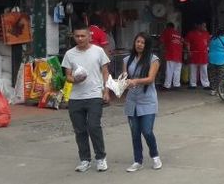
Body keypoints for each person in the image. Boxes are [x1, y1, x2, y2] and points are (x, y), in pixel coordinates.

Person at [62, 24, 111, 172]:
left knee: (94, 126)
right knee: (80, 130)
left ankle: (101, 158)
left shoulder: (99, 51)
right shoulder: (69, 54)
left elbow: (105, 72)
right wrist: (75, 79)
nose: (80, 39)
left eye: (83, 36)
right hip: (75, 97)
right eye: (77, 36)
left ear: (89, 36)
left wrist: (106, 91)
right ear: (73, 37)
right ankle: (84, 159)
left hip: (94, 95)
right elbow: (68, 76)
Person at [121, 33, 162, 172]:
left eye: (142, 42)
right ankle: (137, 160)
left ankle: (155, 155)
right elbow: (125, 78)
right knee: (135, 132)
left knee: (147, 131)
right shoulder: (127, 59)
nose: (139, 44)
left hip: (148, 100)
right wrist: (120, 84)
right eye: (137, 41)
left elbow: (150, 79)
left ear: (147, 45)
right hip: (132, 100)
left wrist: (135, 81)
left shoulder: (153, 59)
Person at [184, 23, 211, 89]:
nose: (205, 27)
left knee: (204, 70)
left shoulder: (206, 34)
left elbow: (208, 43)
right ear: (199, 26)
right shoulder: (191, 33)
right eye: (203, 26)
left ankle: (206, 85)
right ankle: (193, 84)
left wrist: (208, 51)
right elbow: (187, 43)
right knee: (193, 69)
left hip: (204, 54)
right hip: (194, 54)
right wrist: (188, 51)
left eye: (205, 26)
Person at [208, 28, 224, 94]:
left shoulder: (212, 39)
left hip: (211, 58)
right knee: (221, 75)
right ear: (223, 33)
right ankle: (219, 91)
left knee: (212, 75)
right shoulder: (223, 39)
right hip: (221, 59)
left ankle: (213, 90)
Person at [159, 23, 184, 90]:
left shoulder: (167, 31)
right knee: (177, 71)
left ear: (168, 26)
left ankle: (167, 85)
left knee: (169, 70)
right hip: (179, 55)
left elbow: (161, 41)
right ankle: (176, 85)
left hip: (171, 54)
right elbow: (182, 42)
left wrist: (161, 47)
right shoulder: (178, 34)